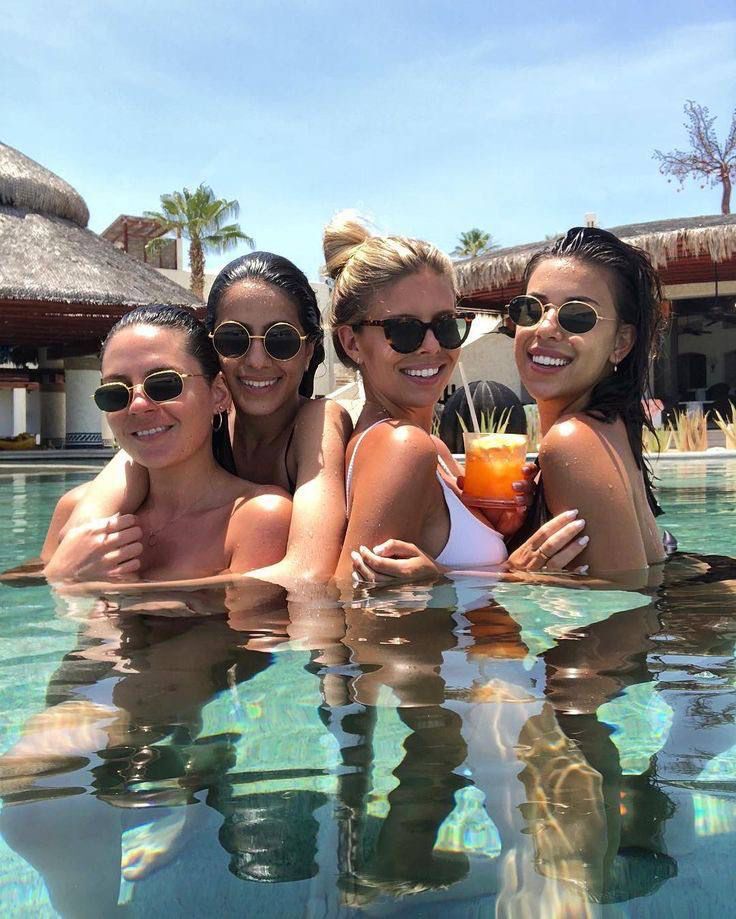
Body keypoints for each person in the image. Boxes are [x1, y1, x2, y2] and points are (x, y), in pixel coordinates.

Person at [355, 225, 668, 582]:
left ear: (621, 342)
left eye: (577, 316)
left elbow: (628, 611)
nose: (546, 327)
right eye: (530, 309)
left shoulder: (572, 441)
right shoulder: (608, 431)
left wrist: (491, 578)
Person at [48, 253, 352, 584]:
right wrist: (68, 561)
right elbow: (90, 516)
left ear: (308, 351)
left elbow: (309, 571)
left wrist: (82, 582)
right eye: (233, 339)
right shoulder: (180, 423)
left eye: (281, 340)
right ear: (211, 349)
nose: (257, 360)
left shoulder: (315, 424)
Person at [323, 212, 589, 583]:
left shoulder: (435, 451)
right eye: (404, 331)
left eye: (447, 325)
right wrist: (510, 577)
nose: (433, 347)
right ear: (352, 342)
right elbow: (345, 600)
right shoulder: (403, 446)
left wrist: (505, 529)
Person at [43, 305, 291, 581]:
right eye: (115, 393)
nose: (137, 405)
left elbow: (244, 619)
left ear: (218, 394)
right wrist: (57, 572)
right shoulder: (75, 510)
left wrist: (68, 578)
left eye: (164, 384)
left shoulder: (255, 518)